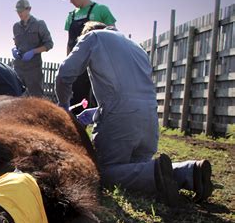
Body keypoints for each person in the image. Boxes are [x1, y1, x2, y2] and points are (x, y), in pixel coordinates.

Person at [56, 21, 213, 206]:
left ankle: (155, 172)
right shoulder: (136, 46)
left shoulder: (93, 37)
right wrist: (98, 111)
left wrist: (64, 107)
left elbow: (64, 75)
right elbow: (130, 92)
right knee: (135, 168)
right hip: (150, 119)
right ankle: (189, 171)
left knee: (102, 172)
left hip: (121, 119)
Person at [62, 0, 116, 113]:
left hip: (98, 62)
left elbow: (114, 35)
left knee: (98, 97)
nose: (71, 1)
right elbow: (69, 42)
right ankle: (77, 125)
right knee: (77, 98)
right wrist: (68, 60)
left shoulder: (101, 10)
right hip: (78, 63)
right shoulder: (71, 16)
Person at [12, 0, 54, 97]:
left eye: (21, 11)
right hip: (19, 67)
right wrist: (15, 50)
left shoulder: (39, 24)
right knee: (15, 96)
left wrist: (33, 51)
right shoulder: (16, 27)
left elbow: (49, 44)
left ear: (29, 9)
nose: (19, 13)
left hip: (33, 69)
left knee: (36, 98)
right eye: (18, 11)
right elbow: (17, 44)